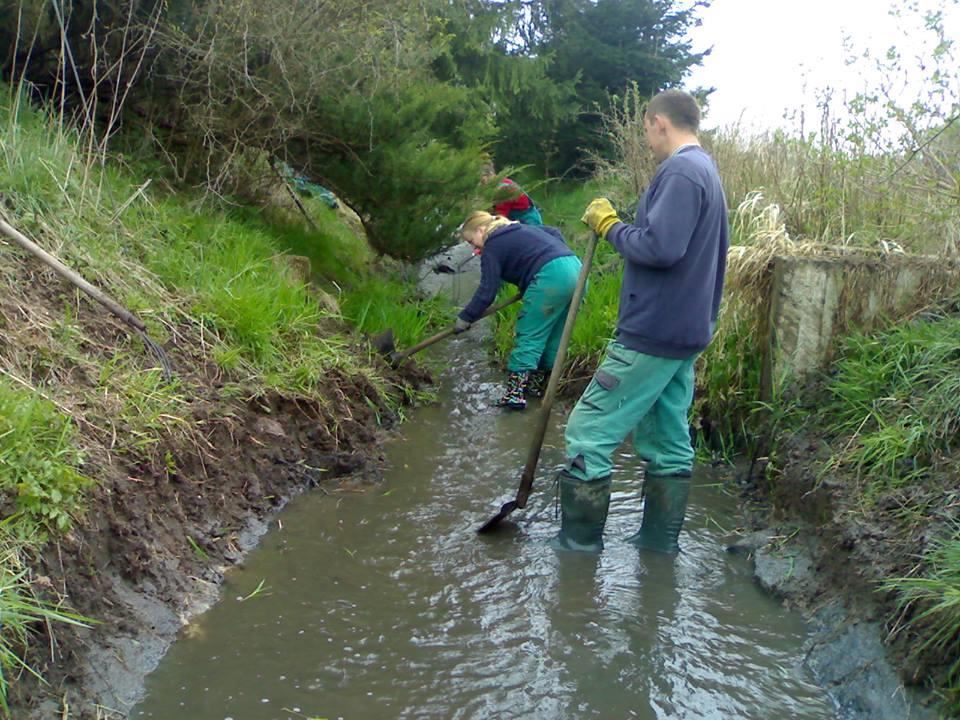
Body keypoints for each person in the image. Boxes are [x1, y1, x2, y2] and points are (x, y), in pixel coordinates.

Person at [550, 89, 729, 554]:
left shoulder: (682, 173)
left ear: (658, 123)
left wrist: (610, 227)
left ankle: (576, 553)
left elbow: (661, 248)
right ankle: (657, 551)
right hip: (684, 331)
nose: (646, 138)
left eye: (646, 129)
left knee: (587, 431)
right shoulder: (705, 171)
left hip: (653, 332)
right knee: (667, 439)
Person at [454, 211, 581, 410]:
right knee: (554, 337)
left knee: (530, 335)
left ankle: (514, 395)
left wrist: (465, 317)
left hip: (551, 279)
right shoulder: (519, 227)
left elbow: (487, 291)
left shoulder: (492, 245)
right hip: (575, 269)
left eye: (472, 240)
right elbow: (553, 232)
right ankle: (537, 387)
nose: (474, 247)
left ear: (481, 230)